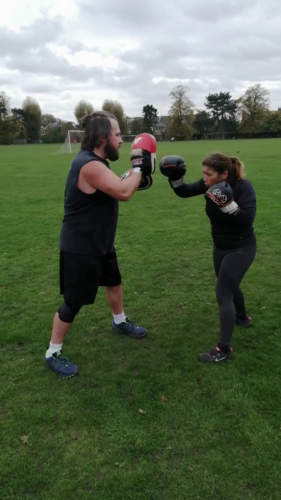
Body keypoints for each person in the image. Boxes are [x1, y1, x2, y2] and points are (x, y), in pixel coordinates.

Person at [45, 111, 156, 378]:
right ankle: (53, 351)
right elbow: (122, 192)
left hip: (100, 242)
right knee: (73, 301)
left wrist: (133, 174)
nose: (121, 140)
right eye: (117, 135)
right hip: (80, 247)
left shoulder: (97, 164)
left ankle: (119, 322)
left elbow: (116, 185)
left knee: (113, 281)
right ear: (102, 137)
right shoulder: (89, 164)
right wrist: (138, 168)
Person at [160, 153, 257, 363]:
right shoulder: (211, 184)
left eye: (208, 174)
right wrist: (174, 177)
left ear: (223, 174)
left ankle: (224, 350)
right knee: (229, 285)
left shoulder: (242, 187)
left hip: (241, 247)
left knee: (223, 294)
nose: (204, 178)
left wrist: (228, 204)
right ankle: (242, 317)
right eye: (203, 173)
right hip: (220, 246)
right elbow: (184, 192)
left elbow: (248, 218)